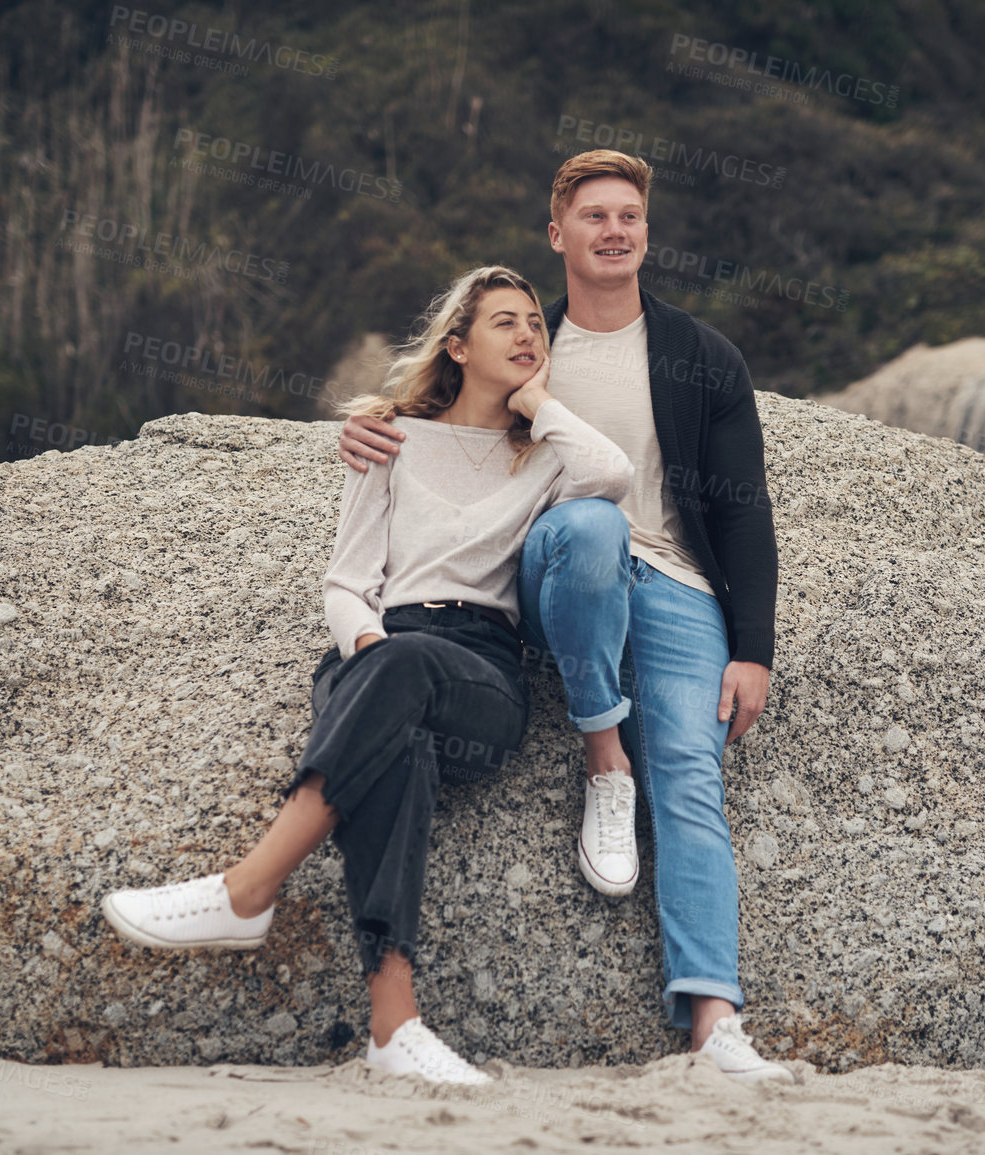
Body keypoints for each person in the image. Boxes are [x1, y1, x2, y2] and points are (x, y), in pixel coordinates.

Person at [101, 265, 634, 1085]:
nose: (529, 334)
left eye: (535, 322)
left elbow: (612, 477)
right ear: (456, 346)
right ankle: (395, 1027)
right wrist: (364, 648)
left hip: (480, 675)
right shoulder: (391, 439)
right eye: (504, 323)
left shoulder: (545, 455)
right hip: (378, 654)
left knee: (410, 675)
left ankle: (249, 888)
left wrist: (538, 407)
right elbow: (347, 582)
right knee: (399, 743)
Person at [339, 151, 788, 1083]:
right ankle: (600, 755)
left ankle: (714, 1023)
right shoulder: (523, 339)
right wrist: (360, 421)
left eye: (629, 216)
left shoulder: (701, 355)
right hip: (553, 577)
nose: (614, 230)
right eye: (594, 216)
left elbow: (742, 505)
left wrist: (753, 648)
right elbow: (426, 414)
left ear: (646, 233)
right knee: (588, 523)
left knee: (693, 774)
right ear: (558, 234)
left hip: (674, 585)